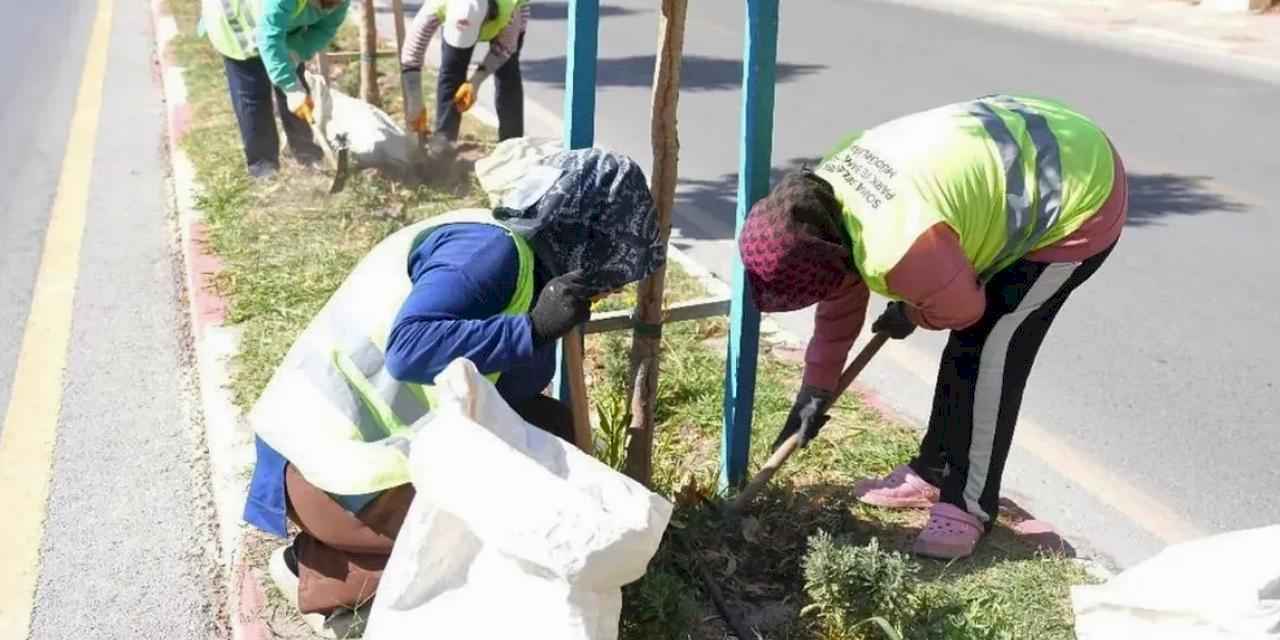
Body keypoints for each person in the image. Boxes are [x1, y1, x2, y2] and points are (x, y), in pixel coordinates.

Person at [240, 149, 664, 631]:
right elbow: (408, 348)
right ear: (582, 237)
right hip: (328, 468)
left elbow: (508, 391)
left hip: (361, 460)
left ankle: (364, 555)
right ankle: (323, 571)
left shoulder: (527, 265)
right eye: (608, 272)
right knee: (495, 544)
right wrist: (530, 330)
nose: (610, 288)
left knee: (549, 430)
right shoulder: (488, 253)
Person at [737, 95, 1126, 560]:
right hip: (1025, 150)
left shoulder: (898, 246)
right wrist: (815, 390)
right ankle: (934, 470)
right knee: (970, 346)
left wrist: (913, 311)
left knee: (989, 349)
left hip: (1077, 196)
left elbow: (963, 311)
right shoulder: (822, 204)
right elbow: (840, 303)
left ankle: (968, 505)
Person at [202, 0, 350, 178]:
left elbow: (325, 29)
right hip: (237, 24)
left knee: (299, 94)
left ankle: (306, 154)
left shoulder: (341, 1)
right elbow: (268, 37)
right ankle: (264, 167)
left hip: (278, 25)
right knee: (253, 96)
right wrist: (290, 86)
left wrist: (298, 51)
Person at [400, 0, 529, 143]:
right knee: (451, 70)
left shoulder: (510, 10)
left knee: (507, 73)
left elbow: (505, 49)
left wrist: (476, 81)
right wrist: (415, 101)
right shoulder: (437, 5)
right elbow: (411, 54)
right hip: (461, 13)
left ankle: (511, 144)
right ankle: (444, 144)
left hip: (506, 14)